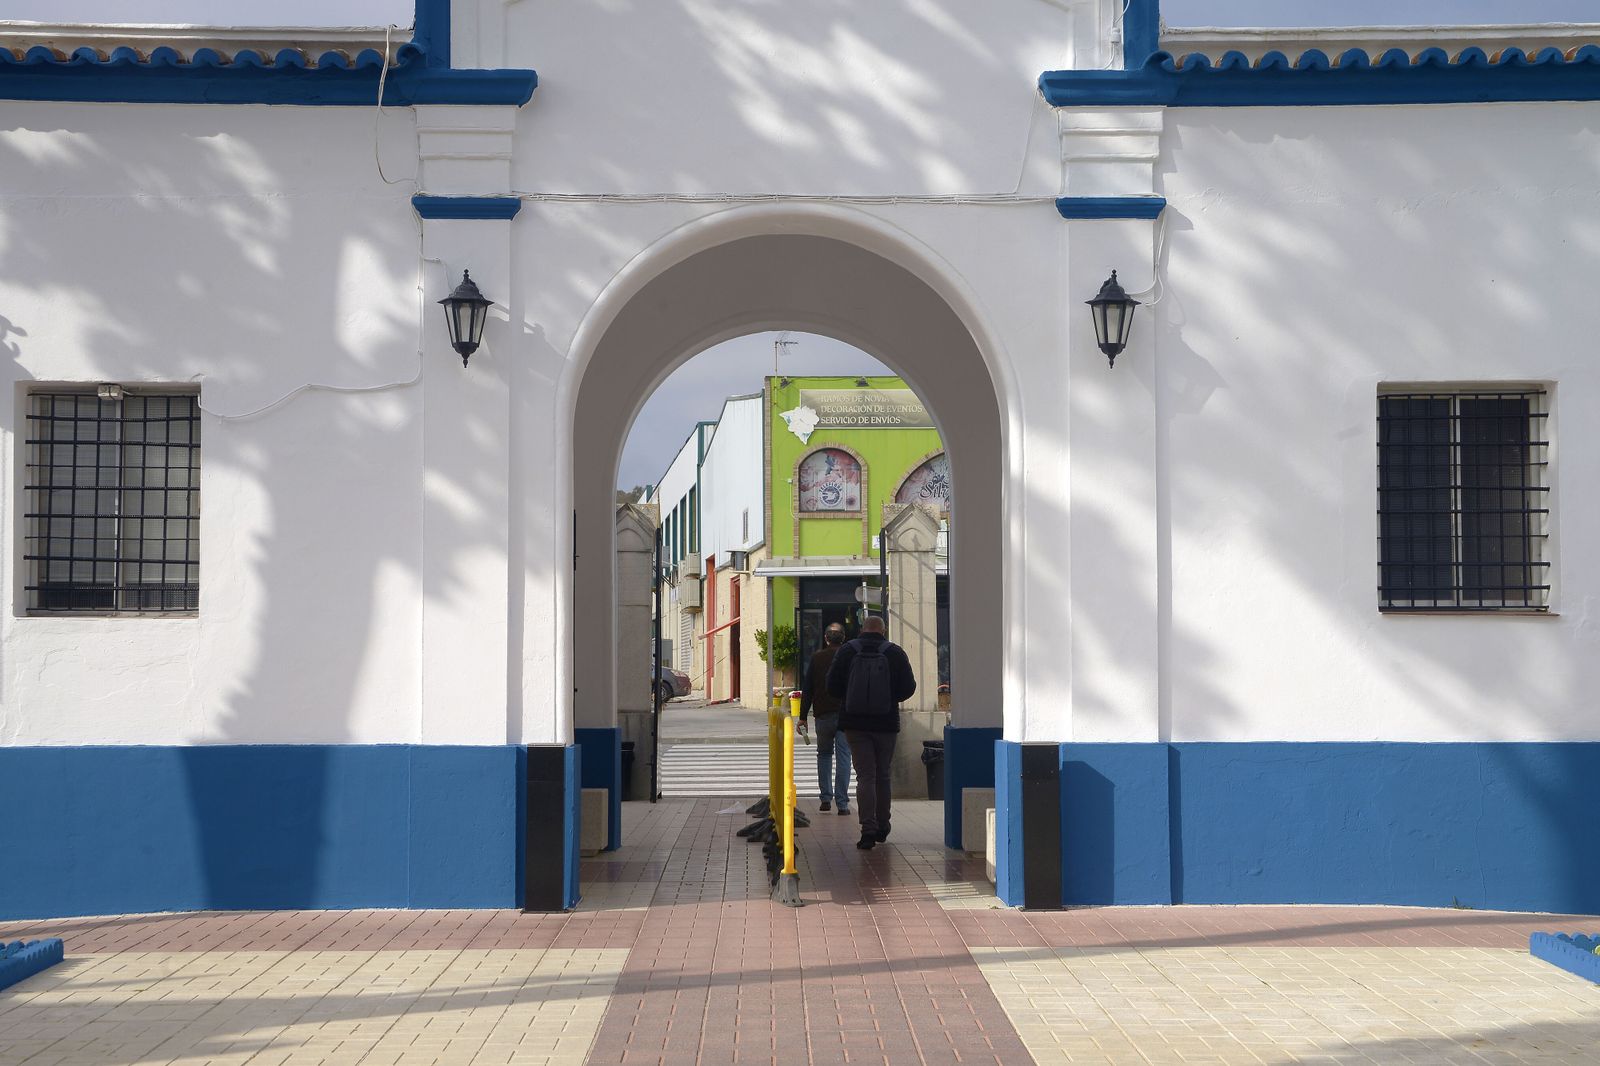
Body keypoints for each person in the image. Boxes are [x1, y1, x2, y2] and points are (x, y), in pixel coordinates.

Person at [826, 614, 916, 850]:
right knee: (883, 774)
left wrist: (850, 698)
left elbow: (831, 686)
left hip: (855, 724)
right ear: (883, 631)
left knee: (865, 776)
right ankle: (883, 825)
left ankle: (867, 829)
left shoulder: (847, 651)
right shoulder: (894, 652)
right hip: (886, 723)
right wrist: (888, 698)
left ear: (862, 630)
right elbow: (909, 687)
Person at [798, 623, 852, 815]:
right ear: (843, 638)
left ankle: (826, 799)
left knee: (824, 755)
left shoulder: (817, 658)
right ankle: (843, 803)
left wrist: (802, 717)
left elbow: (808, 688)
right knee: (844, 756)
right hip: (846, 715)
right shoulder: (849, 658)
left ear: (826, 638)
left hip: (823, 715)